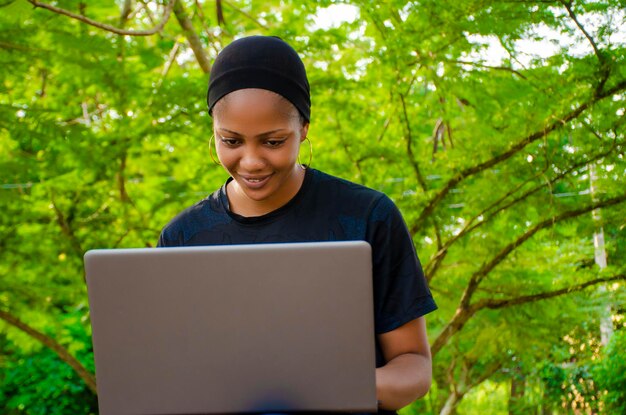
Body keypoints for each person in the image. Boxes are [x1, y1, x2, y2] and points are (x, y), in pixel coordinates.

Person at [158, 35, 437, 414]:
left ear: (303, 127)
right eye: (231, 141)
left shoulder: (367, 216)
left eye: (273, 142)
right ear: (214, 130)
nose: (252, 161)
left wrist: (322, 387)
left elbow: (414, 368)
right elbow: (170, 373)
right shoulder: (182, 238)